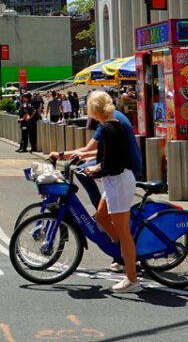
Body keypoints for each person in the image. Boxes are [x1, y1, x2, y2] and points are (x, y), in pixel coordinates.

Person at [81, 91, 142, 292]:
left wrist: (95, 168)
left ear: (94, 110)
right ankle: (124, 256)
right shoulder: (112, 124)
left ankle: (132, 279)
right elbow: (111, 158)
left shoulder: (108, 128)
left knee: (124, 233)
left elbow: (112, 163)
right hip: (115, 181)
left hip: (118, 181)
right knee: (101, 217)